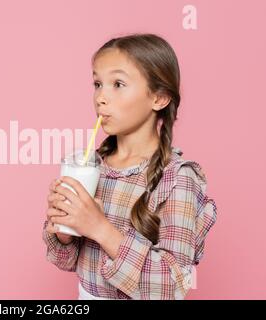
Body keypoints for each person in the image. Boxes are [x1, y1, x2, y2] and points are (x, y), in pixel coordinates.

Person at [42, 33, 218, 300]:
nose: (101, 97)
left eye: (118, 84)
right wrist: (65, 230)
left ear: (159, 98)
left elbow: (171, 288)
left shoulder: (178, 179)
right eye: (97, 83)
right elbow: (66, 261)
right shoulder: (92, 167)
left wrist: (100, 228)